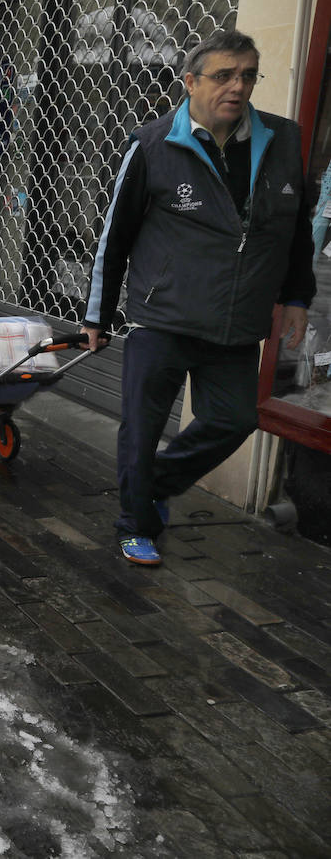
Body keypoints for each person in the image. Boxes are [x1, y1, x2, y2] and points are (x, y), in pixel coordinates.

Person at [80, 29, 316, 567]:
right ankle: (134, 523)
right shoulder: (153, 144)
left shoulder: (281, 141)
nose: (238, 86)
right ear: (190, 81)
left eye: (248, 75)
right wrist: (97, 314)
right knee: (141, 431)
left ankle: (154, 484)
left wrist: (298, 296)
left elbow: (296, 231)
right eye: (224, 75)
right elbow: (113, 235)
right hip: (161, 316)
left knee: (235, 419)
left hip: (237, 320)